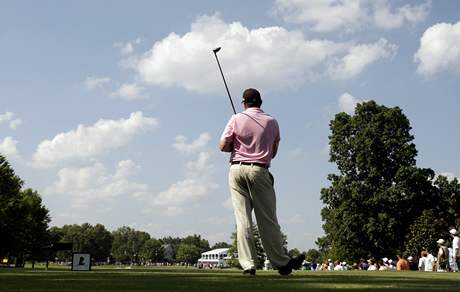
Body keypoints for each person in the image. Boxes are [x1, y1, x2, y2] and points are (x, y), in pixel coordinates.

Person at [219, 88, 304, 276]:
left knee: (243, 220)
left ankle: (248, 265)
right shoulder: (272, 122)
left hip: (236, 169)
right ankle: (281, 263)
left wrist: (237, 145)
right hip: (259, 170)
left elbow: (223, 146)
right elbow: (273, 152)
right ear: (261, 102)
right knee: (267, 219)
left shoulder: (235, 118)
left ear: (244, 103)